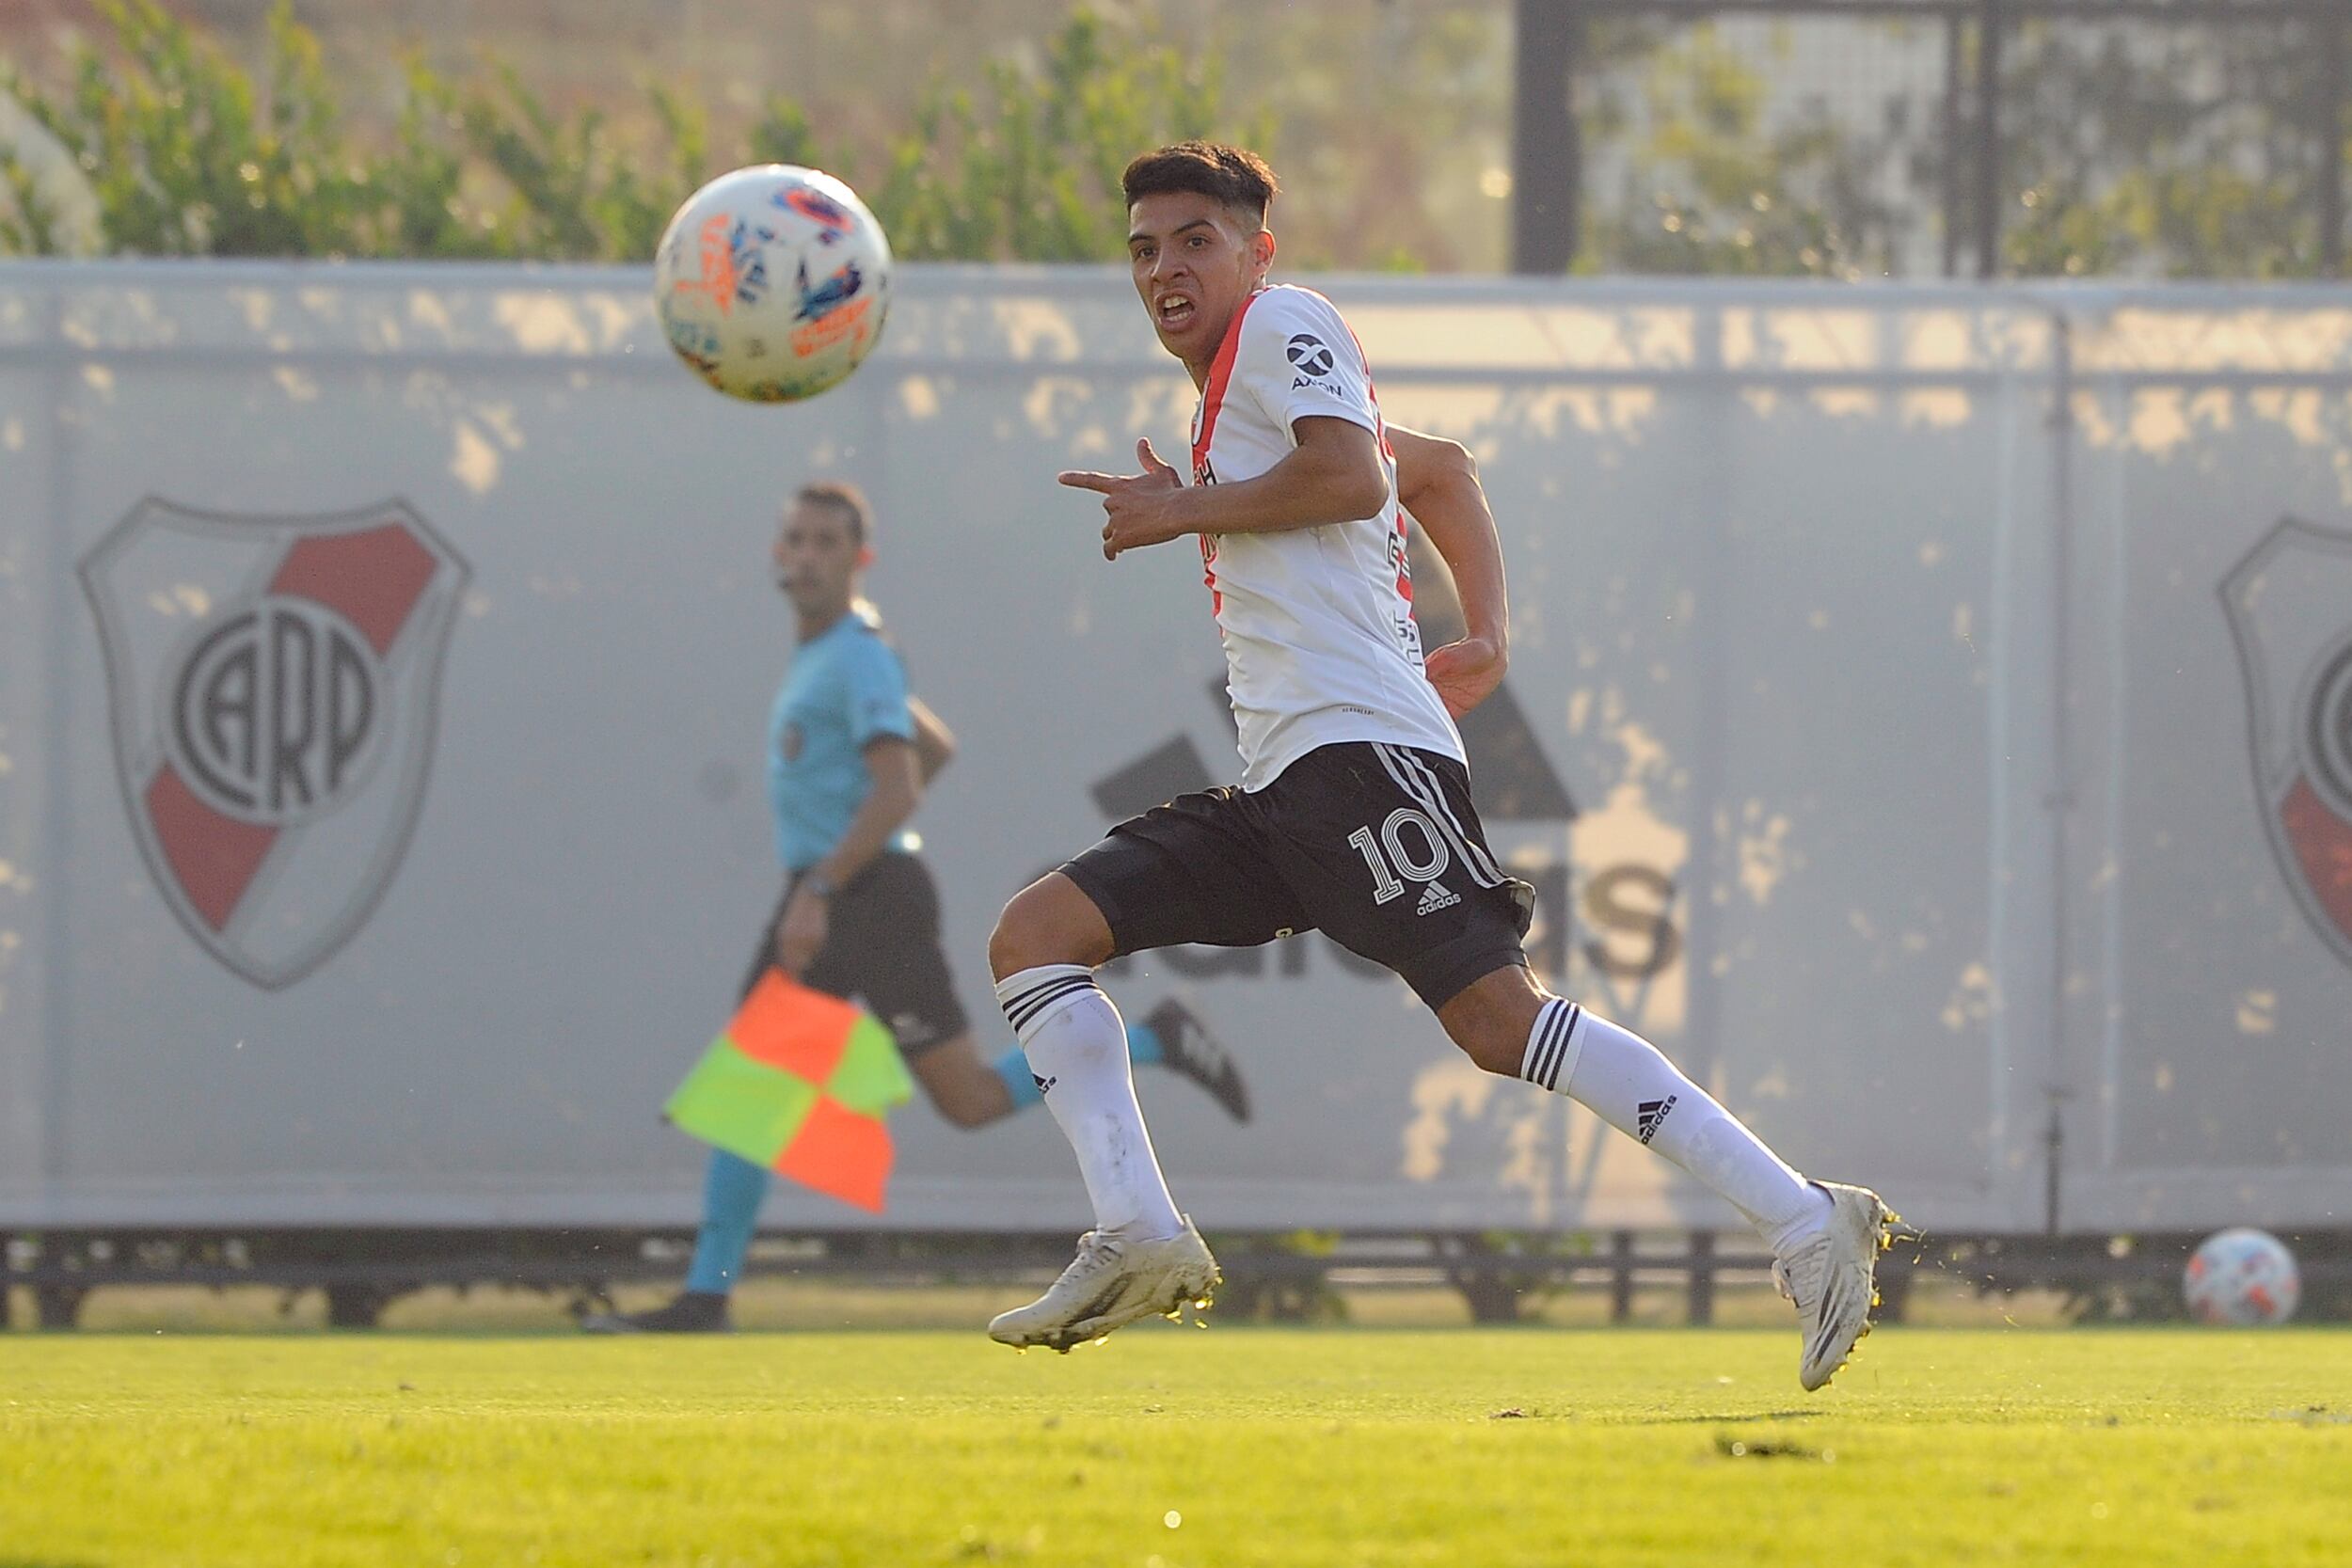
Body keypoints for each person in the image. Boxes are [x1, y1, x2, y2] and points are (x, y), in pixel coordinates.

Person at [983, 143, 1892, 1390]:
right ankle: (1139, 1231)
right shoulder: (1236, 398)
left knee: (1498, 1020)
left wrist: (1187, 509)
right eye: (1145, 247)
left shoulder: (1284, 324)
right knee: (1038, 931)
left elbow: (1355, 475)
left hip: (1360, 756)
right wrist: (1492, 633)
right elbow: (1441, 471)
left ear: (1259, 252)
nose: (1165, 266)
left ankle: (1804, 1216)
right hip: (1287, 781)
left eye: (1195, 238)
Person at [584, 480, 1246, 1334]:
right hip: (862, 890)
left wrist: (821, 887)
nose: (812, 554)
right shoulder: (833, 653)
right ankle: (1158, 1035)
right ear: (778, 555)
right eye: (799, 539)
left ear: (859, 560)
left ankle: (704, 1297)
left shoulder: (856, 653)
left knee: (751, 1087)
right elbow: (932, 745)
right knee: (964, 1098)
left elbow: (899, 784)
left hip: (857, 895)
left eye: (831, 541)